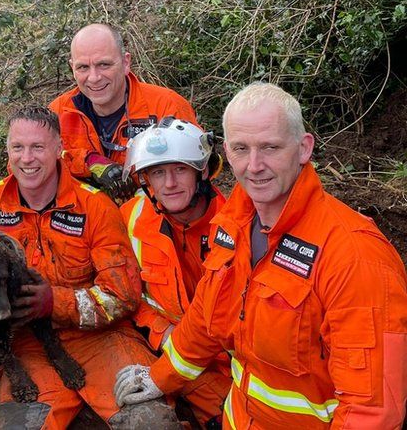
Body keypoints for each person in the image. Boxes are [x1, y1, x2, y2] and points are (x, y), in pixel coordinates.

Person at [114, 82, 407, 428]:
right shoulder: (233, 226)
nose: (254, 165)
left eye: (270, 147)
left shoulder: (355, 255)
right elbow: (206, 324)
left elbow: (372, 411)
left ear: (303, 148)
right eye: (241, 148)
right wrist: (159, 378)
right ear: (226, 152)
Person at [0, 107, 180, 429]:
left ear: (58, 149)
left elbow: (122, 295)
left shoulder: (95, 206)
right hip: (27, 348)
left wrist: (55, 302)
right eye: (18, 148)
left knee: (151, 421)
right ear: (8, 152)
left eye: (38, 147)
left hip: (102, 340)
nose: (27, 158)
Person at [119, 118, 231, 428]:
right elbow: (125, 293)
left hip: (224, 362)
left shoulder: (236, 225)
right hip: (166, 351)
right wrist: (159, 330)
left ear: (202, 171)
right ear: (146, 180)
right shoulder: (131, 218)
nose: (169, 183)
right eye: (158, 172)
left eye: (180, 169)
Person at [49, 24, 197, 202]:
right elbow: (26, 167)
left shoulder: (166, 105)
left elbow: (194, 177)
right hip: (85, 221)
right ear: (72, 68)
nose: (94, 77)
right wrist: (89, 162)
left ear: (126, 62)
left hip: (150, 221)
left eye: (103, 64)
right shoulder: (58, 112)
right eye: (83, 67)